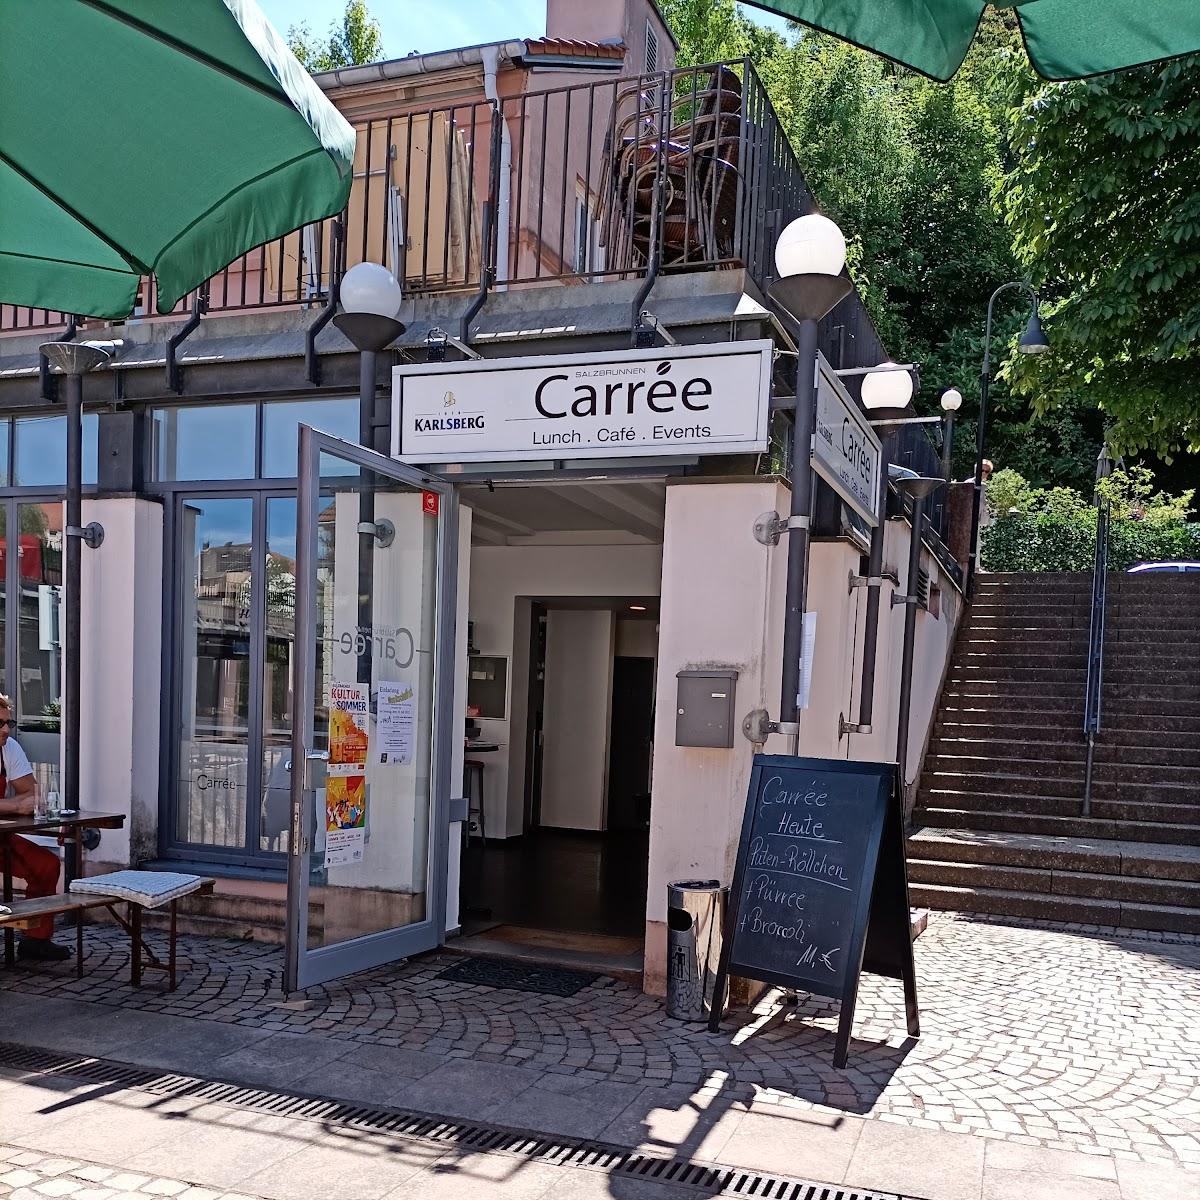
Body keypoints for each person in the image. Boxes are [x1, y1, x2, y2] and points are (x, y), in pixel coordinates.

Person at [0, 695, 70, 961]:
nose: (6, 729)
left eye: (9, 723)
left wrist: (15, 806)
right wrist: (13, 805)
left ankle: (36, 941)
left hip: (2, 836)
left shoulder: (9, 747)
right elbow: (21, 802)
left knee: (46, 866)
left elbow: (32, 797)